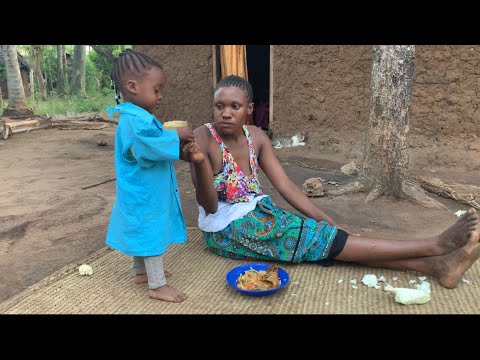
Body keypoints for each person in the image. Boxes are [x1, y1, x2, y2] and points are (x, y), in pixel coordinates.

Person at [185, 74, 480, 289]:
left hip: (260, 216)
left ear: (249, 109)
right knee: (323, 242)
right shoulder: (203, 138)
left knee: (325, 239)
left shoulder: (257, 137)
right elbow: (209, 207)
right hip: (227, 229)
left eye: (234, 106)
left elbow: (286, 186)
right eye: (219, 105)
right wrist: (199, 164)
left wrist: (327, 220)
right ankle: (434, 245)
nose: (225, 113)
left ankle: (439, 267)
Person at [105, 49, 195, 303]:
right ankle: (157, 285)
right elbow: (148, 147)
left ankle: (139, 271)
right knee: (151, 232)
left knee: (144, 228)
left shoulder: (138, 118)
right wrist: (176, 136)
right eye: (156, 90)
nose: (160, 96)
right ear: (133, 86)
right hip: (143, 192)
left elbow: (150, 145)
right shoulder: (134, 122)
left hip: (142, 190)